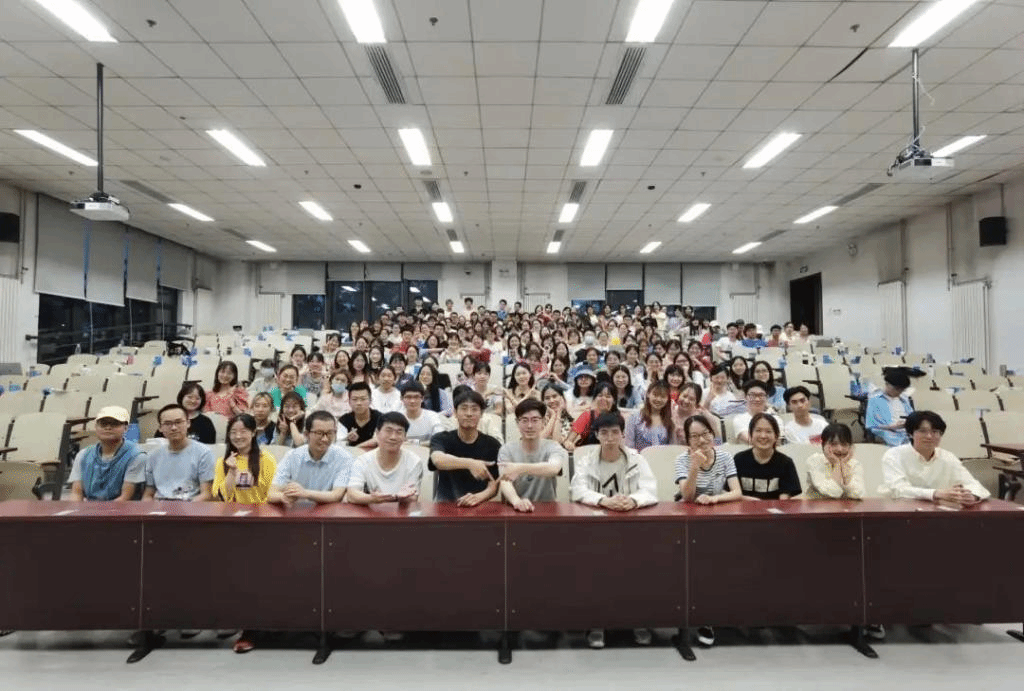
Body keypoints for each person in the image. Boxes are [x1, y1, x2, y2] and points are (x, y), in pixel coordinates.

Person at [569, 412, 657, 649]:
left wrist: (633, 500)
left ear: (622, 435)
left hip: (631, 526)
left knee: (636, 574)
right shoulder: (587, 460)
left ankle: (638, 622)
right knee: (596, 573)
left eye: (615, 432)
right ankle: (597, 624)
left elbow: (650, 489)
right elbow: (577, 489)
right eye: (604, 433)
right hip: (595, 528)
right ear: (597, 435)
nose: (610, 438)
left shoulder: (636, 459)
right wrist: (603, 501)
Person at [881, 410, 989, 504]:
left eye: (935, 432)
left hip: (938, 511)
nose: (929, 436)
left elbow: (974, 485)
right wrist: (935, 494)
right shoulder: (894, 455)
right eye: (923, 431)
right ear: (910, 434)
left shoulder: (948, 457)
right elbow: (898, 490)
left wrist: (972, 496)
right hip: (902, 510)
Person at [427, 390, 501, 505]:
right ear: (455, 413)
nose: (469, 414)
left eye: (474, 409)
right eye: (464, 408)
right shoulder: (441, 438)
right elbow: (437, 460)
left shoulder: (493, 445)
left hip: (479, 506)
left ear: (482, 414)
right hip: (446, 505)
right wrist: (471, 463)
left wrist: (479, 497)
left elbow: (493, 485)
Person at [268, 410, 354, 506]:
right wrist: (283, 497)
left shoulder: (344, 458)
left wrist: (305, 493)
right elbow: (271, 493)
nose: (325, 439)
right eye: (319, 433)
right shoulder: (292, 456)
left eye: (330, 433)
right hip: (298, 510)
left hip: (329, 510)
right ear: (306, 434)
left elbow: (336, 495)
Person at [496, 399, 567, 512]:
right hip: (515, 509)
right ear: (517, 423)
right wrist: (517, 502)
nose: (529, 426)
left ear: (543, 422)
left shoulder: (553, 447)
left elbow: (553, 469)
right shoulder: (506, 449)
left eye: (535, 420)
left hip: (547, 509)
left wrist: (519, 468)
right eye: (524, 420)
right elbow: (505, 481)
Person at [67, 406, 147, 501]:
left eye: (114, 424)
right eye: (103, 424)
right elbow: (76, 493)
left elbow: (125, 498)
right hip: (90, 507)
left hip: (122, 508)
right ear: (96, 427)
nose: (108, 427)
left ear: (126, 428)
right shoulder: (83, 455)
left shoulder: (136, 456)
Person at [345, 412, 423, 505]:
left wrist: (396, 497)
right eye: (388, 431)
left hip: (402, 511)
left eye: (399, 432)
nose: (393, 437)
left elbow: (412, 498)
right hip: (372, 511)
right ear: (377, 433)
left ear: (405, 437)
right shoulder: (363, 460)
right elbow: (351, 495)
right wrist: (372, 499)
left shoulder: (414, 461)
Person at [143, 404, 215, 501]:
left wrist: (181, 509)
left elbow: (207, 494)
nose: (174, 428)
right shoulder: (153, 456)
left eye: (178, 422)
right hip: (159, 505)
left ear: (188, 423)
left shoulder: (203, 453)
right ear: (160, 428)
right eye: (167, 424)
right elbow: (148, 494)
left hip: (190, 505)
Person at [733, 413, 801, 500]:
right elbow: (730, 493)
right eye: (758, 430)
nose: (763, 436)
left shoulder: (785, 463)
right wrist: (753, 502)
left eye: (768, 431)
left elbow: (784, 499)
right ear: (750, 434)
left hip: (775, 508)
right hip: (744, 507)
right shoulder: (738, 460)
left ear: (776, 436)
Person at [213, 413, 277, 504]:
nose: (238, 436)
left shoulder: (266, 459)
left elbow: (272, 493)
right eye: (233, 432)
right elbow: (220, 497)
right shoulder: (223, 461)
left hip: (261, 510)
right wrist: (231, 472)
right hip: (232, 511)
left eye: (243, 431)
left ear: (253, 432)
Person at [803, 423, 864, 500]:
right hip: (817, 506)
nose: (840, 449)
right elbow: (832, 492)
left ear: (850, 446)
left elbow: (858, 494)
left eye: (844, 444)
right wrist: (837, 464)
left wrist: (843, 466)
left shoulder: (855, 464)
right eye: (834, 444)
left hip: (846, 507)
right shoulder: (815, 461)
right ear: (823, 445)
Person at [866, 369, 914, 446]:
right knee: (894, 440)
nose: (899, 392)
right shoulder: (875, 400)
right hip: (888, 431)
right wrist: (892, 427)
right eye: (896, 389)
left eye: (902, 390)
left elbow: (912, 416)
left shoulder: (904, 399)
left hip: (906, 431)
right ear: (887, 384)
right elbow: (872, 425)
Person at [566, 381, 619, 448]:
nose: (603, 399)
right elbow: (569, 440)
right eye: (600, 395)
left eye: (608, 396)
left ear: (614, 401)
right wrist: (569, 445)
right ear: (594, 399)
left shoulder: (619, 418)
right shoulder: (587, 416)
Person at [624, 381, 674, 451]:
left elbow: (672, 448)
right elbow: (629, 446)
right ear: (648, 394)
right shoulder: (634, 418)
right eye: (655, 395)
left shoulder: (670, 420)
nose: (658, 399)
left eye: (663, 396)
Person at [732, 380, 780, 444]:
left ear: (766, 398)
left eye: (761, 395)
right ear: (745, 397)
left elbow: (778, 441)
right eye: (752, 395)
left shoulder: (775, 418)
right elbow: (750, 440)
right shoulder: (739, 419)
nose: (757, 399)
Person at [339, 381, 381, 450]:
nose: (359, 403)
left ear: (370, 400)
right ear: (349, 401)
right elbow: (338, 443)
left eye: (363, 399)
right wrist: (346, 439)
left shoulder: (380, 419)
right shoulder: (343, 420)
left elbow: (378, 440)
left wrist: (357, 448)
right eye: (354, 399)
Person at [540, 384, 575, 450]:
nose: (552, 400)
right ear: (543, 401)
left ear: (562, 398)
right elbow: (540, 439)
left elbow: (556, 442)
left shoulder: (570, 420)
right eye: (547, 398)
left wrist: (558, 414)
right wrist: (553, 416)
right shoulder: (538, 419)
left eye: (554, 396)